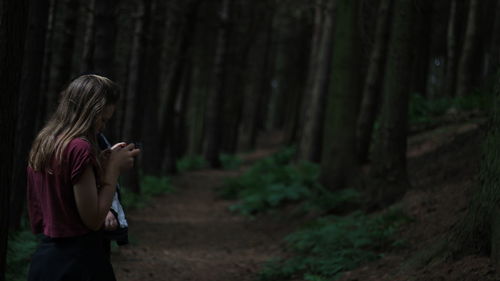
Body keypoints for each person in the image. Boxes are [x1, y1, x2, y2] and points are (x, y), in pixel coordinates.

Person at [26, 74, 141, 281]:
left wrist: (101, 164)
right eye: (103, 119)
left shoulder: (45, 141)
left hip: (45, 260)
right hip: (79, 263)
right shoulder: (80, 148)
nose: (103, 127)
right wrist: (113, 170)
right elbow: (94, 219)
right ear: (89, 111)